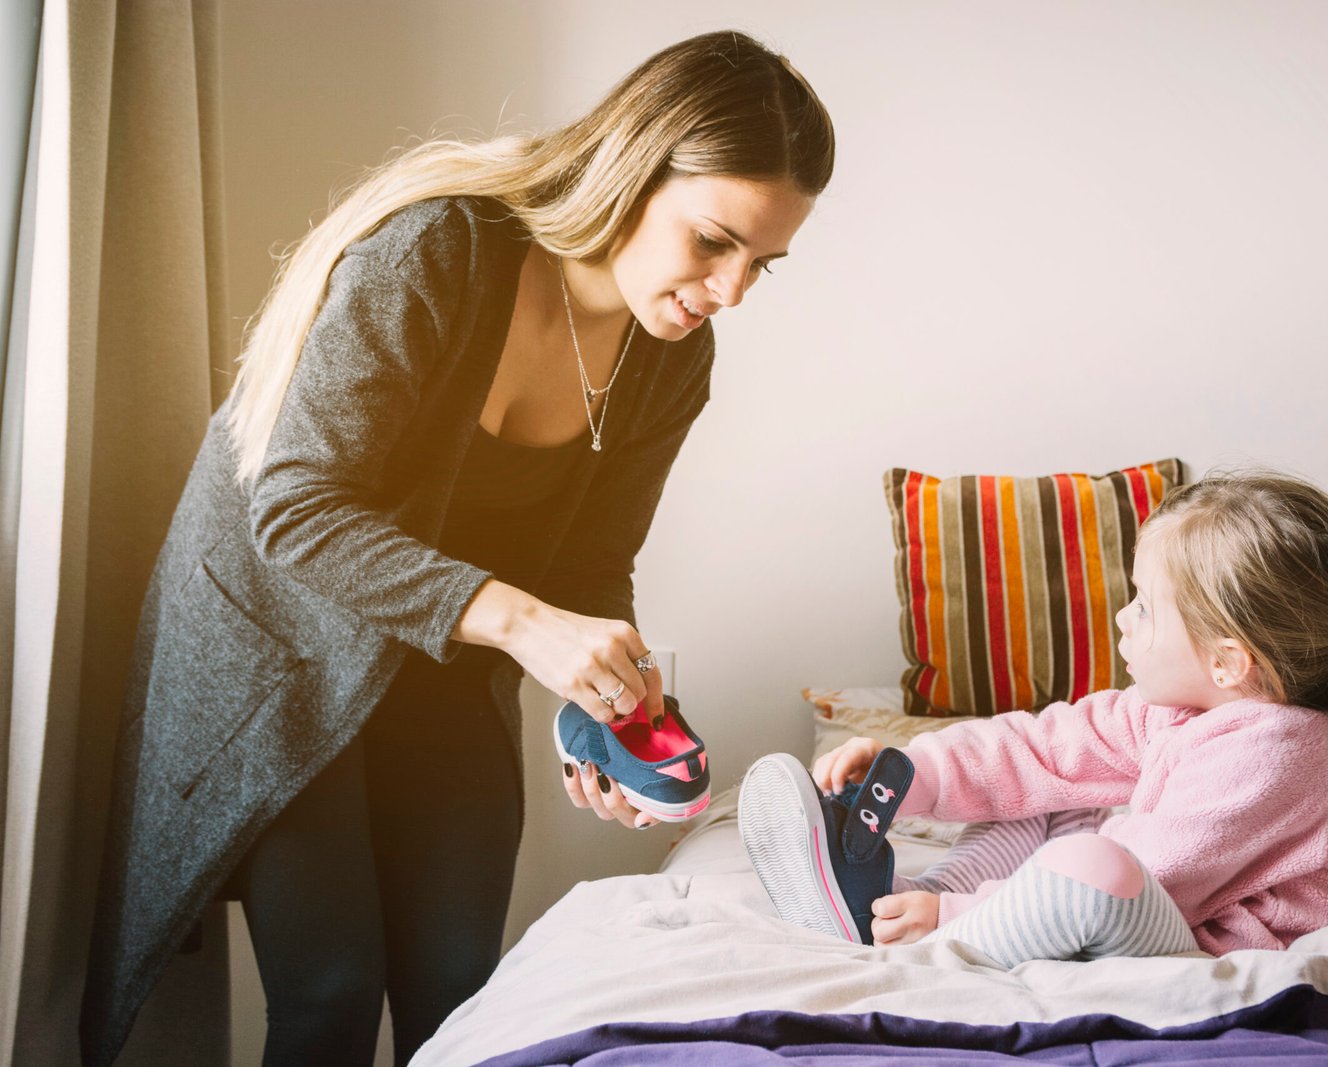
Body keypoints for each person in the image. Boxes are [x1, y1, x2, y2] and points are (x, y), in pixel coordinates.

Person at [82, 30, 833, 1067]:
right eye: (713, 242)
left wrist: (601, 703)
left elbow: (587, 565)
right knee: (330, 989)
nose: (732, 290)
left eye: (763, 263)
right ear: (631, 171)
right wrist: (529, 624)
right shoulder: (437, 250)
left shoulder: (674, 359)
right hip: (283, 651)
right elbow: (297, 511)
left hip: (445, 655)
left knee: (463, 986)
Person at [742, 470, 1328, 967]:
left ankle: (942, 922)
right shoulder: (1182, 710)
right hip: (1165, 911)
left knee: (1092, 861)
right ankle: (901, 901)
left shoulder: (1280, 753)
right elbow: (1042, 749)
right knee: (1050, 792)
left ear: (1231, 661)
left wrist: (967, 922)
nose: (1123, 616)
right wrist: (912, 772)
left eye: (1144, 605)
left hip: (1208, 948)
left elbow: (1153, 871)